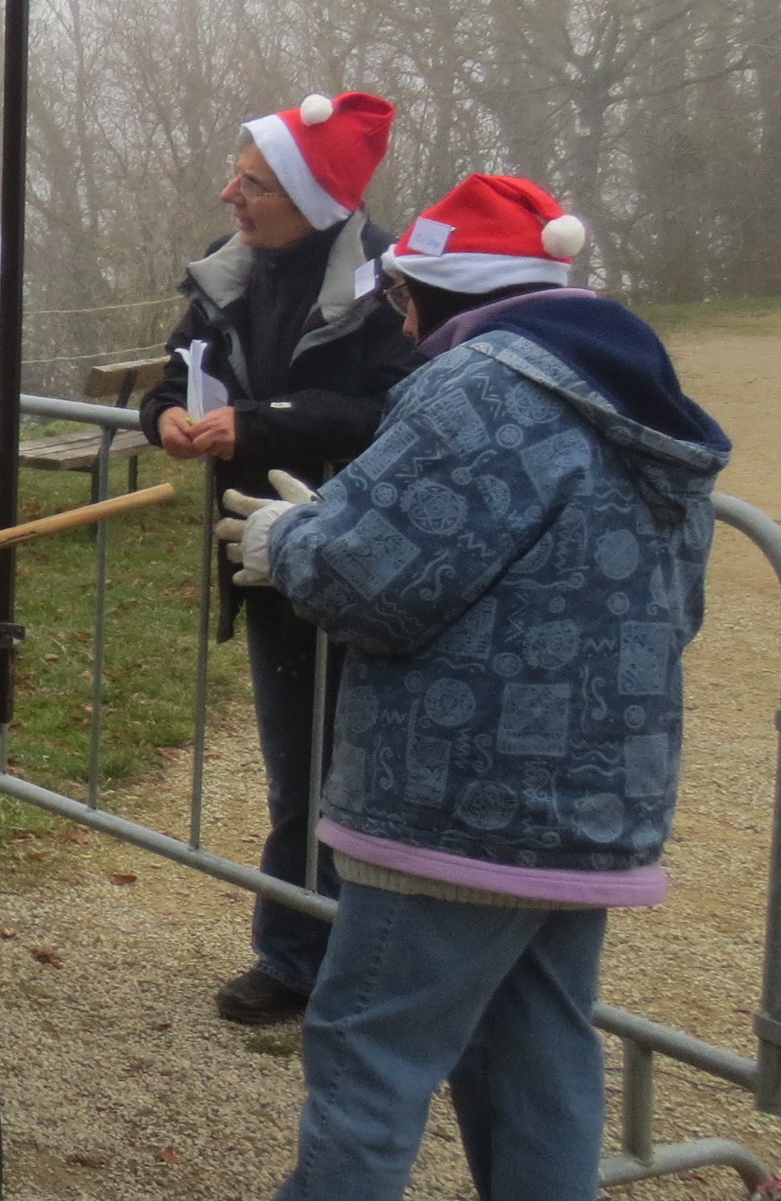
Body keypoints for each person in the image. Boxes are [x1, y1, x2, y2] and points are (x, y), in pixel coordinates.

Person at [217, 175, 725, 1200]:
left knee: (369, 1050)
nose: (403, 325)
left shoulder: (478, 388)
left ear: (444, 290)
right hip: (591, 801)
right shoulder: (636, 392)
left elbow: (371, 583)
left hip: (458, 803)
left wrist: (291, 541)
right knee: (535, 1048)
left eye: (405, 298)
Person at [135, 90, 421, 1027]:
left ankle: (375, 964)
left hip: (367, 557)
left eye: (253, 184)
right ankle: (296, 956)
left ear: (312, 198)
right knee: (298, 768)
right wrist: (165, 416)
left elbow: (399, 408)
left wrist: (257, 423)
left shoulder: (391, 287)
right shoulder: (228, 274)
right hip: (266, 559)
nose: (231, 196)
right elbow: (174, 374)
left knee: (367, 774)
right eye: (237, 178)